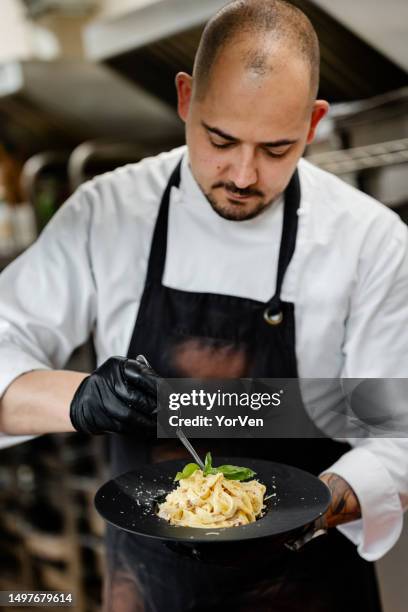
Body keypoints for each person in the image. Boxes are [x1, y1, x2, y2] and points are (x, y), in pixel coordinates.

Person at [0, 0, 407, 610]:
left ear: (315, 122)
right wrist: (82, 398)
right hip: (146, 586)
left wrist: (309, 512)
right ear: (186, 99)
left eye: (276, 148)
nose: (243, 173)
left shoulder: (369, 239)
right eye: (221, 139)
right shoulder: (108, 212)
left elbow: (399, 432)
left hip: (308, 581)